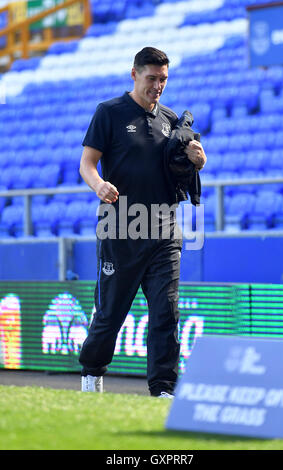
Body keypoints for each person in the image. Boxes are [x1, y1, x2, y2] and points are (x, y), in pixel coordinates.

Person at [79, 47, 207, 397]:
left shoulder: (171, 120)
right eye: (152, 78)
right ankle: (92, 373)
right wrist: (98, 184)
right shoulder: (108, 112)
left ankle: (163, 388)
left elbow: (184, 168)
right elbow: (87, 163)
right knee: (109, 315)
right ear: (134, 74)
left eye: (163, 78)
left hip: (165, 230)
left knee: (167, 312)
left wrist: (198, 160)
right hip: (120, 230)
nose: (158, 85)